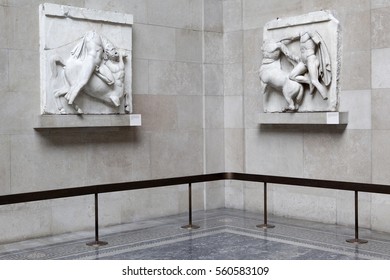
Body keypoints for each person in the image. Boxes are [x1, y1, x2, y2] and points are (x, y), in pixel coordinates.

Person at [281, 31, 331, 100]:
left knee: (315, 81)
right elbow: (292, 37)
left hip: (311, 59)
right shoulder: (301, 33)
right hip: (303, 62)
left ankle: (325, 96)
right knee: (292, 76)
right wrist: (283, 39)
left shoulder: (311, 32)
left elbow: (319, 43)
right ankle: (308, 81)